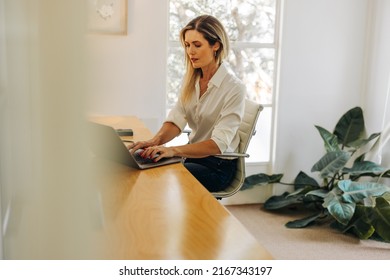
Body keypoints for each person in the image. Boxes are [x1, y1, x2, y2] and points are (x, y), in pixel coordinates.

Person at [130, 15, 246, 192]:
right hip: (191, 158)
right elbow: (176, 120)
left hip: (217, 167)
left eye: (197, 45)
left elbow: (218, 144)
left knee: (160, 175)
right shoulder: (192, 80)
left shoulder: (234, 88)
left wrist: (173, 151)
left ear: (216, 45)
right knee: (141, 165)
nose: (190, 51)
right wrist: (154, 142)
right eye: (187, 45)